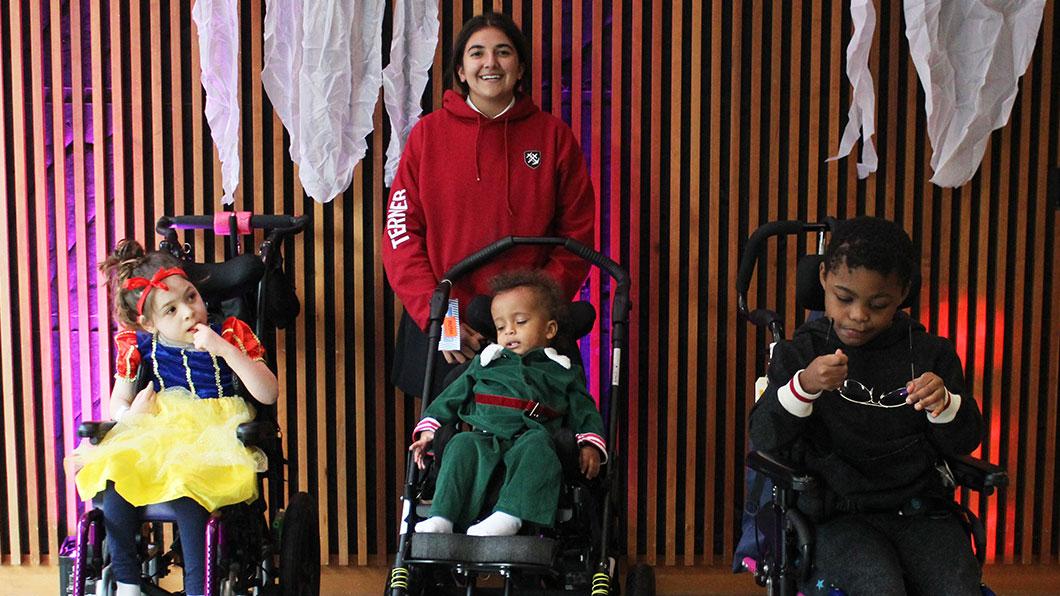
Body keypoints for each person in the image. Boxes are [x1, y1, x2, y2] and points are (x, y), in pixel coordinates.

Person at [748, 217, 984, 595]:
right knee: (879, 587)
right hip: (837, 516)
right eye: (845, 298)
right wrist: (804, 387)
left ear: (903, 293)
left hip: (919, 511)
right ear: (823, 277)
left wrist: (947, 405)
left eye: (878, 304)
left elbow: (964, 441)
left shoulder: (931, 354)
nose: (858, 315)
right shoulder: (801, 354)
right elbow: (763, 436)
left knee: (958, 588)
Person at [381, 11, 595, 399]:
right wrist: (441, 318)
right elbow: (400, 235)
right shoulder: (427, 137)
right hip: (448, 323)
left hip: (531, 323)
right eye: (477, 53)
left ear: (521, 66)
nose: (490, 63)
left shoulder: (554, 137)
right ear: (461, 70)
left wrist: (531, 314)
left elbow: (576, 236)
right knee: (448, 446)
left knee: (538, 441)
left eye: (503, 52)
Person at [69, 239, 279, 596]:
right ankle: (127, 584)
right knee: (114, 478)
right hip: (162, 426)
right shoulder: (140, 345)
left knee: (187, 485)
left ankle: (199, 588)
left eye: (192, 297)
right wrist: (128, 413)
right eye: (171, 310)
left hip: (217, 427)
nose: (188, 312)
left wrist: (225, 350)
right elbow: (118, 399)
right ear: (149, 324)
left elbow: (268, 393)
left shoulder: (228, 332)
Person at [408, 271, 606, 537]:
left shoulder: (561, 370)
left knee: (539, 448)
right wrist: (428, 431)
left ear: (549, 329)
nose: (509, 331)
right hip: (485, 437)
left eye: (520, 322)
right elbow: (451, 398)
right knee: (460, 444)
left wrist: (590, 444)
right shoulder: (486, 363)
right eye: (501, 327)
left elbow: (585, 412)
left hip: (534, 437)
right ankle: (442, 516)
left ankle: (509, 516)